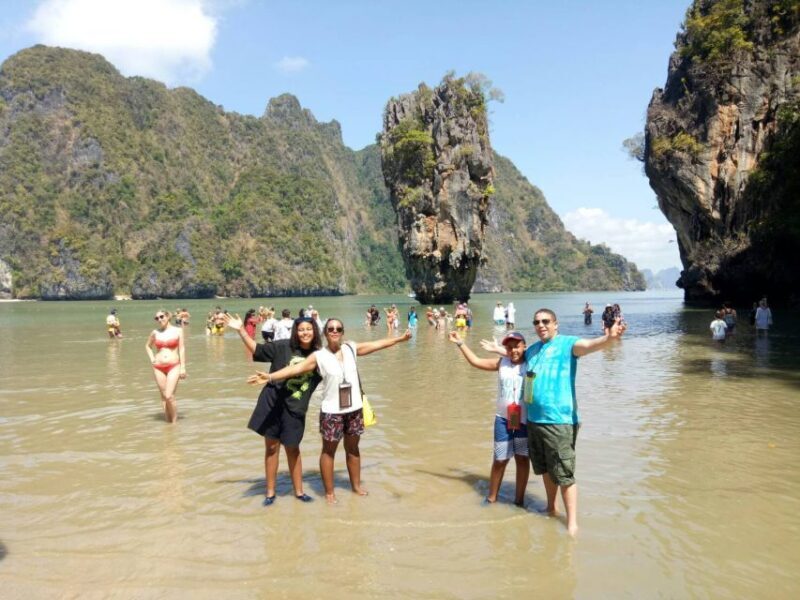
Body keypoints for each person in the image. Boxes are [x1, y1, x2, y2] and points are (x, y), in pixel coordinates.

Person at [482, 308, 625, 537]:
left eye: (546, 321)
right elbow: (515, 353)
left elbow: (590, 346)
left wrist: (609, 338)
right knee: (547, 470)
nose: (541, 325)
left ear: (556, 324)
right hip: (534, 421)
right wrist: (497, 349)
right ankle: (551, 508)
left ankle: (572, 524)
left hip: (560, 421)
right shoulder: (534, 350)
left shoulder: (568, 344)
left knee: (564, 473)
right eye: (537, 322)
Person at [249, 319, 412, 504]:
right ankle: (329, 493)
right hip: (331, 411)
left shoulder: (351, 348)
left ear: (343, 332)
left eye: (338, 329)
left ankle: (356, 487)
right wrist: (270, 376)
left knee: (353, 449)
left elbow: (376, 344)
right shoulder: (319, 356)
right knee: (329, 451)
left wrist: (399, 339)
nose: (335, 331)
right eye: (331, 329)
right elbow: (296, 368)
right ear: (325, 333)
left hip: (354, 409)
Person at [225, 313, 322, 505]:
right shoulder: (282, 346)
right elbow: (257, 350)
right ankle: (270, 493)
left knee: (293, 449)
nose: (305, 333)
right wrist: (241, 331)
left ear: (315, 332)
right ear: (296, 331)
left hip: (295, 407)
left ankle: (299, 492)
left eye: (308, 329)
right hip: (272, 402)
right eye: (301, 329)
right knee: (271, 448)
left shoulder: (319, 356)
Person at [448, 330, 530, 506]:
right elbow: (476, 362)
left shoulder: (532, 363)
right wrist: (460, 343)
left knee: (523, 459)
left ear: (525, 346)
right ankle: (491, 498)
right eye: (509, 347)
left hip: (524, 421)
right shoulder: (502, 363)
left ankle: (520, 501)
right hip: (503, 419)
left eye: (517, 346)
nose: (513, 350)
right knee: (500, 460)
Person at [145, 310, 187, 423]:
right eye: (156, 318)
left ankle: (174, 424)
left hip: (174, 365)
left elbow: (182, 349)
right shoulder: (155, 332)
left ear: (168, 316)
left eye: (161, 316)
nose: (159, 320)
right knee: (163, 397)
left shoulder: (178, 331)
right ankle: (168, 424)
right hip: (158, 367)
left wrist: (183, 367)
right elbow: (148, 346)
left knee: (169, 396)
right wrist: (152, 359)